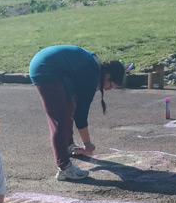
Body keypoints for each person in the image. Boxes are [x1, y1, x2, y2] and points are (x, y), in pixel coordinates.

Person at [28, 45, 125, 180]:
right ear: (107, 76)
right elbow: (81, 115)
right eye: (111, 86)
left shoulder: (94, 69)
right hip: (45, 69)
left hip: (53, 67)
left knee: (68, 109)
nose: (109, 89)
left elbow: (75, 107)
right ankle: (64, 168)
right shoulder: (91, 75)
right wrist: (88, 144)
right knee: (59, 120)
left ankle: (68, 146)